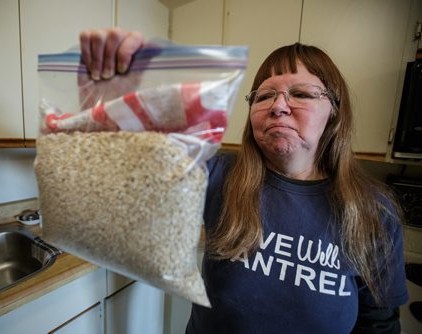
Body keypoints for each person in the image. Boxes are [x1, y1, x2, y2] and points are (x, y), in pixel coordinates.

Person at [79, 28, 409, 333]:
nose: (278, 106)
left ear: (334, 110)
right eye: (264, 96)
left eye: (301, 94)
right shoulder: (217, 174)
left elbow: (378, 323)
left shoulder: (374, 211)